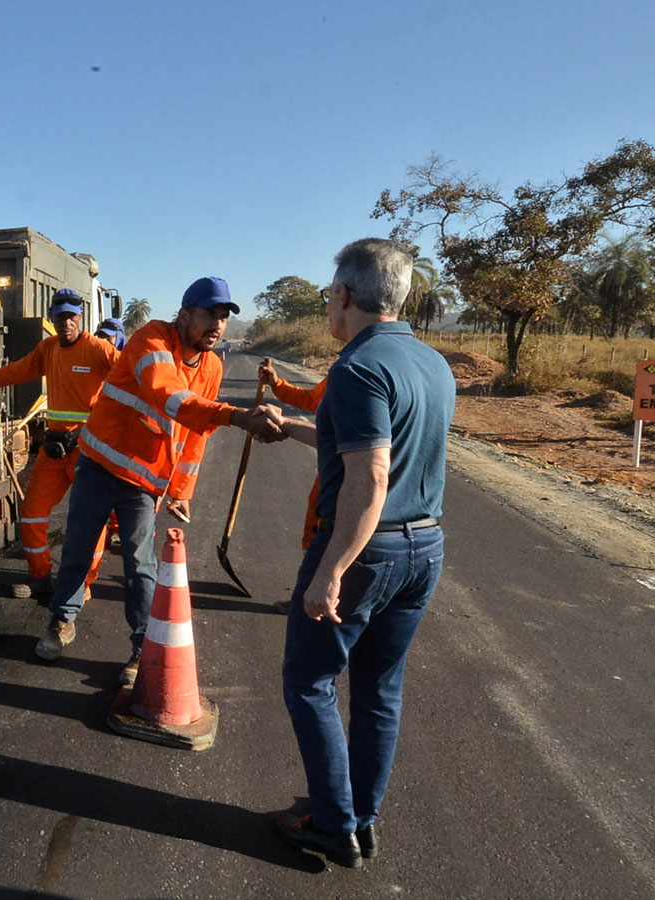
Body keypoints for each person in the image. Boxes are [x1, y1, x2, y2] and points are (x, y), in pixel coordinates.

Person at [267, 239, 455, 869]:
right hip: (424, 545)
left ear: (345, 295)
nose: (328, 303)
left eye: (329, 293)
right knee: (379, 690)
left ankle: (334, 825)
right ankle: (361, 817)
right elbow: (373, 451)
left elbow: (370, 479)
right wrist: (287, 424)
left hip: (367, 552)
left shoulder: (356, 367)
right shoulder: (432, 363)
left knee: (309, 681)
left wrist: (331, 572)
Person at [33, 276, 284, 685]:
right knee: (79, 545)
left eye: (223, 317)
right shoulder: (152, 340)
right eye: (209, 314)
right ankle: (62, 620)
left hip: (142, 482)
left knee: (140, 563)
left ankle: (141, 647)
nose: (217, 325)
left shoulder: (213, 366)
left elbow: (194, 436)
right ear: (184, 314)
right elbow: (168, 394)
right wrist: (236, 416)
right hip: (98, 465)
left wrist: (182, 491)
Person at [0, 288, 119, 598]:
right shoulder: (48, 350)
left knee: (91, 522)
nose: (66, 322)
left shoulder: (99, 350)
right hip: (54, 448)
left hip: (87, 451)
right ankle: (41, 577)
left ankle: (83, 584)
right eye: (60, 316)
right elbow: (15, 371)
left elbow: (132, 376)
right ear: (52, 318)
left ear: (81, 317)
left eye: (72, 316)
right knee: (32, 514)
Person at [258, 358, 330, 614]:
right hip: (329, 476)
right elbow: (311, 400)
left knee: (330, 539)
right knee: (314, 535)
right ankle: (306, 595)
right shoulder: (342, 371)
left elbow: (341, 441)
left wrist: (285, 425)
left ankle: (316, 604)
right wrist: (277, 383)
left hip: (349, 479)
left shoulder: (358, 370)